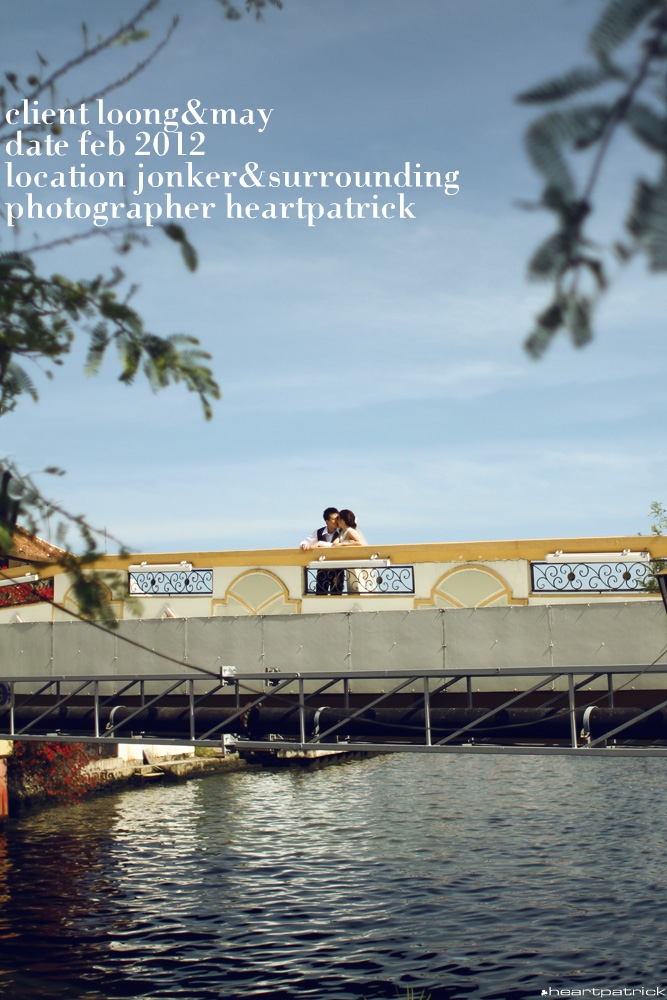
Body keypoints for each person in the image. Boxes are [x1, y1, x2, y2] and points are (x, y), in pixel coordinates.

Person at [300, 507, 343, 595]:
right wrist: (304, 545)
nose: (336, 521)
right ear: (327, 521)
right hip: (322, 569)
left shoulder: (342, 532)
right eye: (334, 519)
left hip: (338, 568)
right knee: (320, 594)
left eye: (337, 518)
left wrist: (320, 543)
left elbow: (335, 546)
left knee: (337, 595)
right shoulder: (319, 532)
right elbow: (305, 542)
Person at [333, 510, 372, 593]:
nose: (337, 522)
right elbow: (334, 544)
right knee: (352, 586)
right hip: (349, 563)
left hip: (354, 563)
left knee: (357, 586)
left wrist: (343, 544)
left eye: (338, 519)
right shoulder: (343, 532)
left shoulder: (350, 531)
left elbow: (360, 543)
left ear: (342, 520)